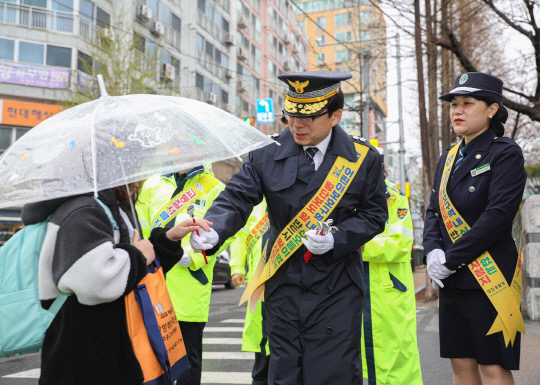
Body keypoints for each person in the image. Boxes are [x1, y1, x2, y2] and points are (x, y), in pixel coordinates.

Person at [191, 70, 388, 385]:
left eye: (309, 117)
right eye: (291, 114)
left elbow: (375, 215)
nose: (297, 124)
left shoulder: (361, 158)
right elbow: (236, 198)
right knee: (284, 376)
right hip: (283, 287)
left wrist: (338, 238)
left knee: (332, 376)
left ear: (336, 115)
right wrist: (215, 227)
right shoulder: (266, 153)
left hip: (336, 289)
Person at [21, 182, 211, 385]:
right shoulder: (83, 209)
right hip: (88, 353)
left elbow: (134, 265)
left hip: (106, 345)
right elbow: (93, 281)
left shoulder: (109, 206)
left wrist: (167, 240)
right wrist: (137, 255)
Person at [423, 72, 527, 385]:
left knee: (492, 365)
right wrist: (433, 252)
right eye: (454, 104)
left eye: (468, 103)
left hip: (489, 275)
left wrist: (450, 258)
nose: (457, 110)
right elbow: (434, 211)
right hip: (452, 279)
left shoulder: (504, 153)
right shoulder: (447, 158)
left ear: (492, 108)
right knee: (461, 364)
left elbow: (497, 217)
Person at [136, 164, 237, 385]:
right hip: (153, 282)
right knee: (151, 360)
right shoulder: (152, 184)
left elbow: (227, 233)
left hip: (189, 286)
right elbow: (140, 228)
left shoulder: (214, 187)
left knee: (187, 363)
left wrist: (194, 257)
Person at [361, 148, 423, 385]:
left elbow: (401, 243)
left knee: (397, 362)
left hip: (389, 292)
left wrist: (358, 245)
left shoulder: (396, 198)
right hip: (353, 287)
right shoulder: (346, 197)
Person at [229, 200, 270, 385]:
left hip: (290, 284)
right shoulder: (256, 201)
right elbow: (241, 235)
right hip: (259, 288)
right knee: (262, 356)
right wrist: (237, 267)